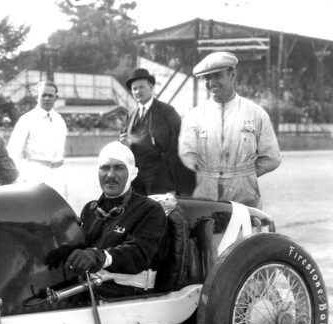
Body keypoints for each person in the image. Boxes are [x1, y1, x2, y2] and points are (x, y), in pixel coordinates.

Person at [48, 141, 167, 299]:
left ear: (133, 173)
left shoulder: (149, 210)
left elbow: (139, 253)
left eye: (119, 167)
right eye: (105, 167)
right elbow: (79, 247)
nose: (110, 175)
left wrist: (100, 256)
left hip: (129, 296)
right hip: (91, 290)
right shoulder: (90, 210)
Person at [178, 51, 280, 209]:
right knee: (208, 233)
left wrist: (244, 176)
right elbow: (186, 155)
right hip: (206, 200)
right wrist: (209, 175)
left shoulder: (255, 113)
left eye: (217, 76)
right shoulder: (194, 116)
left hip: (245, 199)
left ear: (232, 75)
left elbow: (272, 158)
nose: (211, 83)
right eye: (207, 78)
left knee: (246, 234)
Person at [120, 67, 190, 195]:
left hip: (161, 177)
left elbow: (180, 144)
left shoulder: (167, 111)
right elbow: (125, 143)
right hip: (137, 177)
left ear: (151, 87)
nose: (137, 91)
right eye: (134, 89)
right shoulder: (130, 115)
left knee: (161, 211)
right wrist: (125, 142)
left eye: (141, 87)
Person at [7, 80, 68, 198]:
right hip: (36, 174)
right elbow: (14, 152)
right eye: (43, 95)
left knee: (61, 210)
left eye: (50, 95)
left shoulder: (60, 120)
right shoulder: (27, 119)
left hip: (59, 175)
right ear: (36, 97)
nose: (46, 98)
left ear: (56, 97)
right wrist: (21, 177)